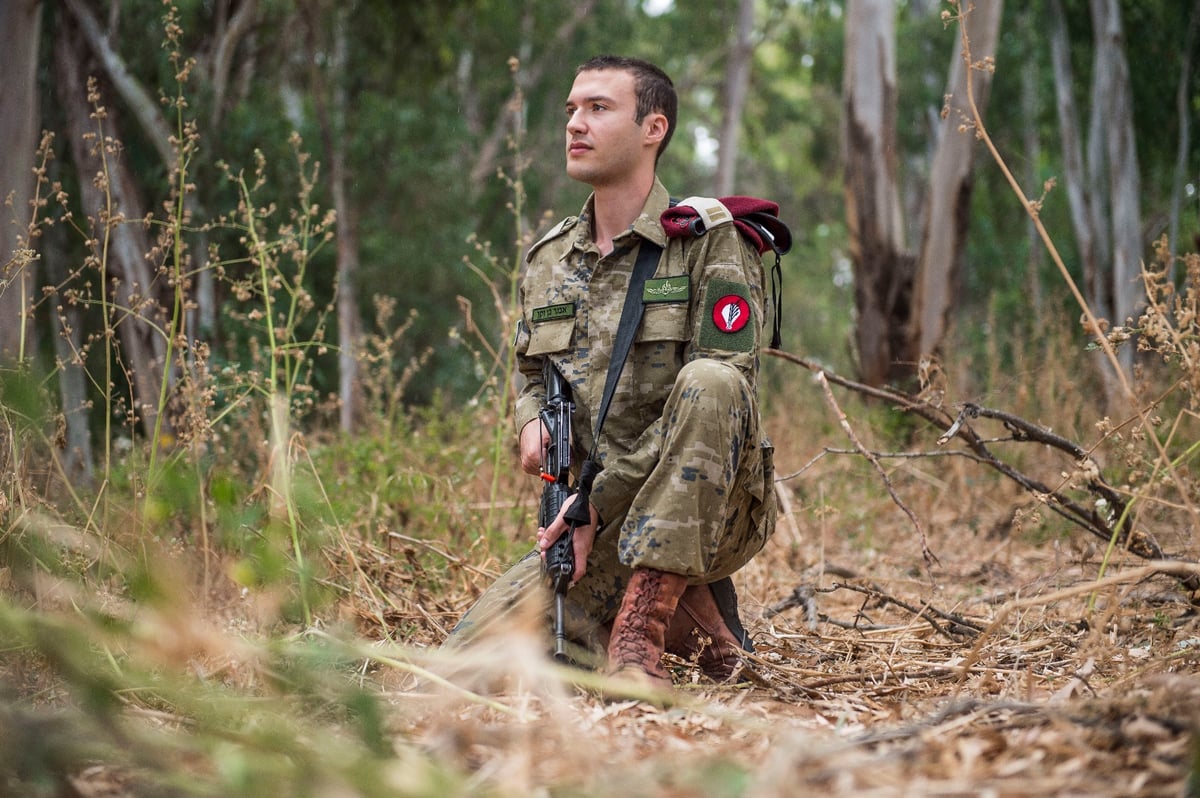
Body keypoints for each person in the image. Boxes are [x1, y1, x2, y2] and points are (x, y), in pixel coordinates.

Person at [448, 55, 777, 687]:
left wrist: (596, 501)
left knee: (711, 381)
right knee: (470, 664)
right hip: (590, 515)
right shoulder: (549, 259)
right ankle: (695, 618)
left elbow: (725, 387)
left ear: (653, 128)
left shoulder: (709, 241)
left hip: (706, 506)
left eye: (599, 108)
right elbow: (529, 373)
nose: (576, 123)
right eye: (572, 109)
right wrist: (527, 424)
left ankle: (646, 626)